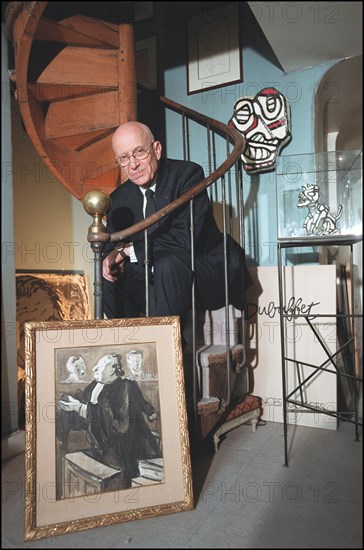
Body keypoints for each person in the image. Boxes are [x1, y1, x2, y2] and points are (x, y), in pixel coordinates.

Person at [102, 121, 251, 324]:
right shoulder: (119, 198)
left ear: (157, 149)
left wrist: (127, 251)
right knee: (106, 273)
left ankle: (171, 347)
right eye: (124, 158)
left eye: (139, 152)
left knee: (168, 263)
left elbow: (184, 239)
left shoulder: (187, 175)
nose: (133, 164)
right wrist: (110, 256)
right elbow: (110, 245)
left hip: (202, 269)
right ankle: (124, 340)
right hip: (151, 277)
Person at [58, 353, 160, 488]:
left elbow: (119, 425)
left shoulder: (125, 387)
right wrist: (71, 403)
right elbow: (84, 409)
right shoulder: (94, 385)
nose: (94, 368)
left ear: (112, 369)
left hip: (123, 451)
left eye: (99, 366)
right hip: (99, 446)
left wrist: (150, 411)